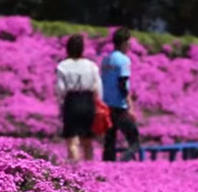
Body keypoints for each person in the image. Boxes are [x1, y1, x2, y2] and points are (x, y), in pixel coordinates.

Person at [55, 34, 103, 161]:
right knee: (87, 141)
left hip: (71, 101)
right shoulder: (91, 65)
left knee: (72, 141)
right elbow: (97, 87)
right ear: (82, 49)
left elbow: (61, 89)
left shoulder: (62, 66)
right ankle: (90, 169)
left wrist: (61, 103)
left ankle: (75, 170)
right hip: (88, 102)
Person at [101, 28, 140, 162]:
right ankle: (122, 162)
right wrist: (130, 106)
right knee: (134, 141)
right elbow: (122, 84)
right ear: (124, 42)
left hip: (106, 105)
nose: (130, 45)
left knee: (109, 141)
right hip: (120, 106)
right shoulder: (123, 60)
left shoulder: (106, 60)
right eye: (129, 42)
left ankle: (107, 167)